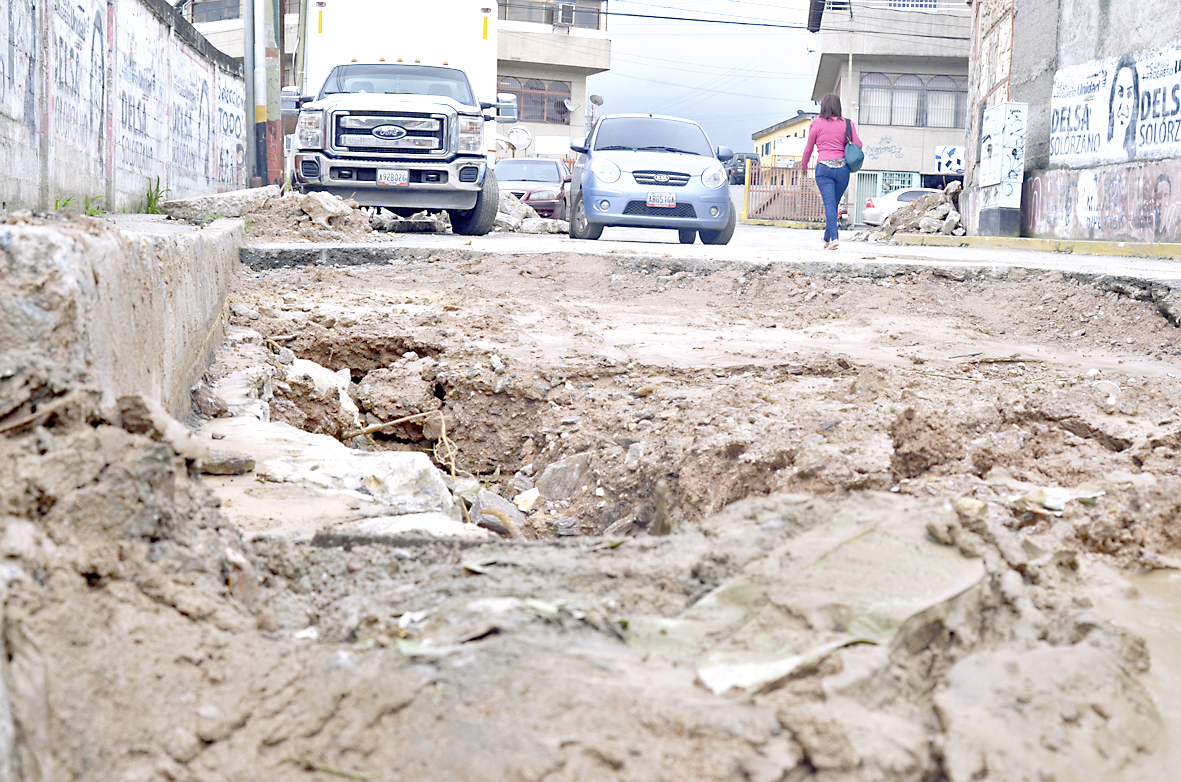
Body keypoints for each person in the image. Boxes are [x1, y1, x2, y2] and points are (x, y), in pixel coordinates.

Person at [802, 93, 862, 250]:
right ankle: (827, 239)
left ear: (823, 107)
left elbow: (808, 148)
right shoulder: (848, 124)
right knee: (833, 204)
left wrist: (803, 166)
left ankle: (835, 238)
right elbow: (859, 145)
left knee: (829, 204)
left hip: (824, 170)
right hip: (843, 170)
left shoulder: (816, 124)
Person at [1107, 56, 1138, 160]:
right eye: (1120, 93)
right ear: (1112, 101)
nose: (1124, 105)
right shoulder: (1106, 151)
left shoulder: (1133, 153)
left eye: (1129, 94)